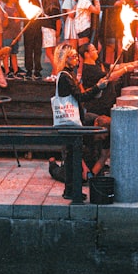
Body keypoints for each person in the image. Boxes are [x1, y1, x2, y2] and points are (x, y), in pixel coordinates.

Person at [52, 43, 109, 203]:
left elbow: (82, 95)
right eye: (73, 56)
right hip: (69, 121)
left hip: (75, 119)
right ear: (65, 59)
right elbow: (80, 96)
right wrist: (97, 87)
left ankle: (71, 189)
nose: (77, 59)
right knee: (72, 156)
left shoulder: (69, 74)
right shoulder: (64, 76)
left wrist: (97, 90)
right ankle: (70, 190)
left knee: (72, 156)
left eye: (77, 56)